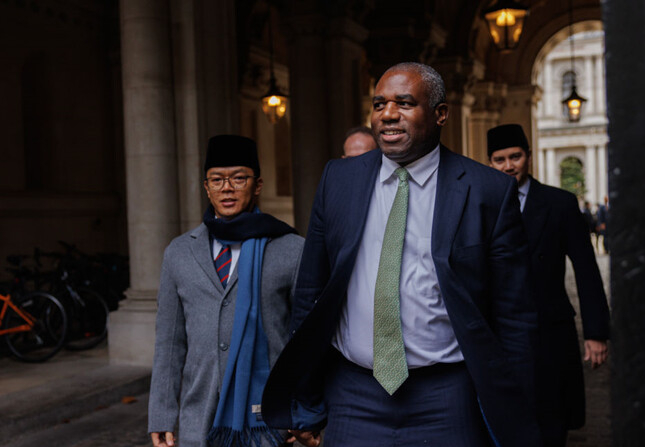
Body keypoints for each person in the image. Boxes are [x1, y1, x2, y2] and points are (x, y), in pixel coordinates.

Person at [262, 62, 541, 447]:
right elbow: (312, 289)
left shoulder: (486, 190)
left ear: (441, 114)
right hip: (353, 393)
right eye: (379, 104)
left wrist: (517, 408)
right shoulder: (338, 180)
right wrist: (306, 394)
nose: (388, 114)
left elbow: (515, 315)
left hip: (447, 395)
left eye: (405, 103)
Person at [147, 135, 304, 447]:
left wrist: (304, 413)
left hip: (269, 418)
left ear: (257, 185)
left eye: (238, 178)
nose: (227, 188)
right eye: (217, 180)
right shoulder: (179, 252)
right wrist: (162, 414)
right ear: (206, 188)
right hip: (199, 414)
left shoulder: (291, 249)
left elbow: (304, 340)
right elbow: (169, 342)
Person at [487, 124, 610, 447]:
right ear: (490, 163)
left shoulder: (560, 203)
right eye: (500, 159)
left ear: (528, 156)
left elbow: (585, 269)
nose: (509, 165)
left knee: (552, 418)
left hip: (550, 327)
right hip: (498, 329)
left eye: (515, 156)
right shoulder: (480, 205)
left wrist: (596, 333)